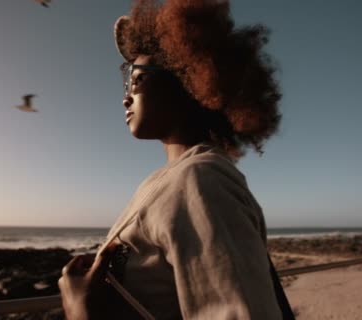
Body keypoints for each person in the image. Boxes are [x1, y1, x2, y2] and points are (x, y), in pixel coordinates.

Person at [58, 0, 291, 318]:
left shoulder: (201, 181)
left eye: (137, 79)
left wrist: (81, 313)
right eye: (126, 81)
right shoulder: (173, 180)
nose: (126, 94)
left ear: (188, 79)